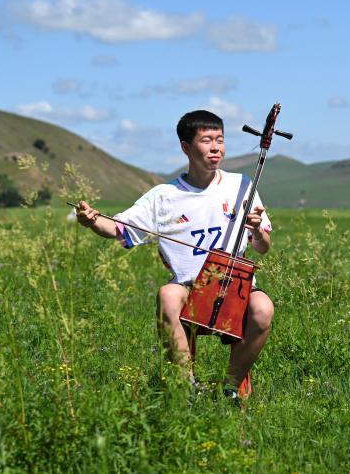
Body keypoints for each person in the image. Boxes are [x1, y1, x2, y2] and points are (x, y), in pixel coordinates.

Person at [74, 110, 274, 404]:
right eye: (206, 140)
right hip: (190, 287)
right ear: (186, 147)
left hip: (236, 287)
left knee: (264, 308)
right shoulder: (163, 196)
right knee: (168, 294)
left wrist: (257, 230)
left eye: (220, 140)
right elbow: (118, 229)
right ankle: (186, 388)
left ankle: (231, 387)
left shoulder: (242, 185)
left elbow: (263, 246)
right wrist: (91, 220)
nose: (216, 147)